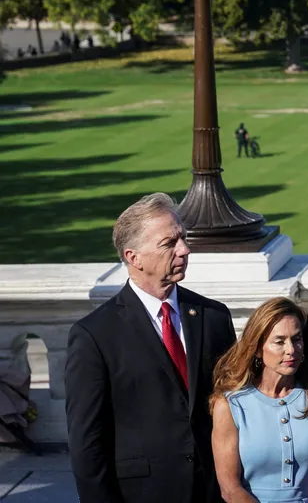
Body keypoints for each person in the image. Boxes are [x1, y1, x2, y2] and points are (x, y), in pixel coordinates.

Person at [65, 193, 237, 503]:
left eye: (182, 239)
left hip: (214, 491)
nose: (184, 250)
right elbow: (87, 443)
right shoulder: (94, 335)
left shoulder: (213, 317)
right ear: (134, 258)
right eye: (169, 243)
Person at [211, 297, 308, 503]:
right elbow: (230, 488)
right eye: (279, 341)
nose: (291, 349)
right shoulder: (230, 405)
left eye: (296, 339)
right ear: (258, 348)